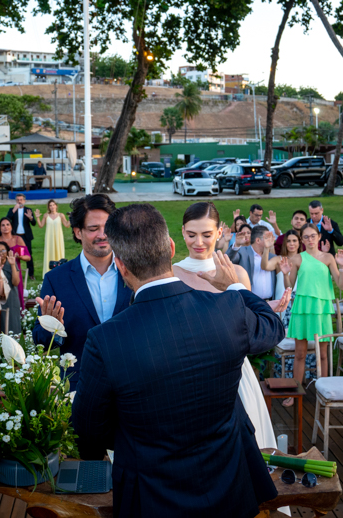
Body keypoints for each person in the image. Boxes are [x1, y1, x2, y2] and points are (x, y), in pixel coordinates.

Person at [71, 205, 284, 518]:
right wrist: (234, 287)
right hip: (228, 486)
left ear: (121, 265)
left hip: (152, 496)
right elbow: (272, 325)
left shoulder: (105, 339)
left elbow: (89, 430)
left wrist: (136, 431)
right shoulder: (227, 308)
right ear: (171, 248)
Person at [172, 202, 290, 449]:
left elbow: (244, 324)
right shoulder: (172, 274)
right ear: (182, 232)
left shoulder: (236, 273)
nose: (199, 242)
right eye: (192, 234)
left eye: (206, 235)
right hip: (186, 373)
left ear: (218, 232)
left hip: (233, 373)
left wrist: (266, 307)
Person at [33, 194, 133, 390]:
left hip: (131, 383)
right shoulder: (56, 280)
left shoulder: (135, 271)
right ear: (78, 232)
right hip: (79, 388)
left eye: (107, 227)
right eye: (93, 229)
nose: (102, 235)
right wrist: (52, 327)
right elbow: (42, 342)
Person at [287, 225, 343, 381]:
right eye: (306, 237)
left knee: (323, 355)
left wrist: (342, 266)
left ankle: (323, 389)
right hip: (302, 308)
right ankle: (296, 392)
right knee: (300, 354)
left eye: (313, 236)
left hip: (321, 309)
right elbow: (289, 285)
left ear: (319, 236)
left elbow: (342, 286)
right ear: (302, 239)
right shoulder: (297, 258)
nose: (310, 240)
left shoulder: (328, 258)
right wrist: (284, 273)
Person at [227, 225, 281, 300]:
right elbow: (227, 260)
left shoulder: (272, 257)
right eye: (267, 237)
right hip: (249, 302)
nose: (271, 240)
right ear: (258, 240)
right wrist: (236, 245)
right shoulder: (242, 252)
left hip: (269, 302)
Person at [0, 218, 29, 308]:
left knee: (16, 292)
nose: (5, 227)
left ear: (11, 226)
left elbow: (28, 257)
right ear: (0, 228)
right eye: (3, 225)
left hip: (14, 270)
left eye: (7, 224)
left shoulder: (18, 239)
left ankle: (19, 315)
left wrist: (20, 257)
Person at [0, 241, 22, 334]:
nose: (1, 252)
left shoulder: (11, 264)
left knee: (12, 324)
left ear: (8, 252)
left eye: (3, 250)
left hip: (11, 298)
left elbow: (16, 282)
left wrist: (13, 265)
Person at [5, 193, 37, 280]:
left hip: (26, 236)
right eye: (18, 200)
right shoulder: (12, 210)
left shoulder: (28, 210)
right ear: (16, 201)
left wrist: (31, 218)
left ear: (24, 200)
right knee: (13, 254)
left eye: (21, 200)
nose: (19, 201)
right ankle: (13, 271)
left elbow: (34, 223)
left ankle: (31, 274)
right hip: (15, 237)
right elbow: (6, 220)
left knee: (28, 254)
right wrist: (13, 211)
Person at [37, 199, 70, 277]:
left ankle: (60, 272)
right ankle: (48, 273)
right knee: (49, 252)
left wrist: (70, 218)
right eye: (50, 205)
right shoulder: (46, 215)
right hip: (49, 238)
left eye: (53, 205)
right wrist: (38, 217)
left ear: (56, 206)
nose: (52, 207)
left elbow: (67, 225)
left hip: (58, 238)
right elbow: (41, 225)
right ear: (49, 207)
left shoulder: (61, 215)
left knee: (59, 252)